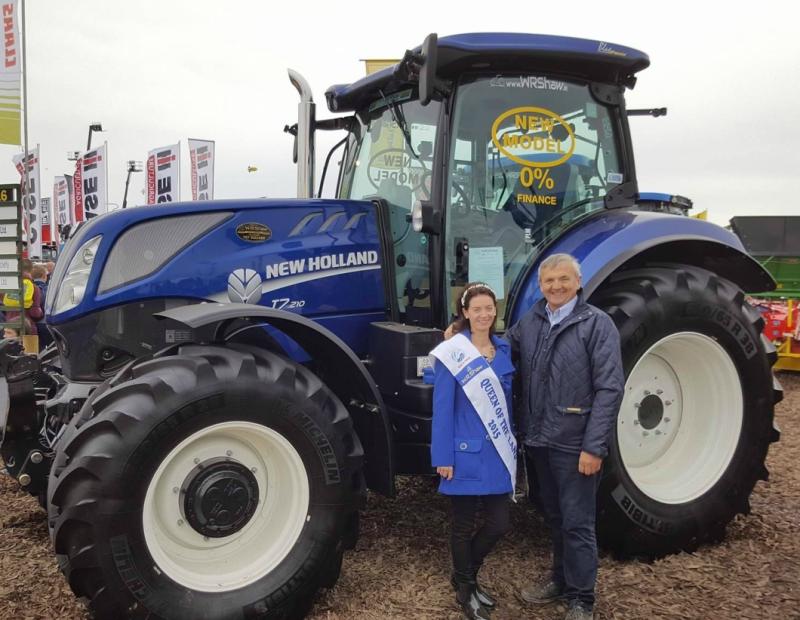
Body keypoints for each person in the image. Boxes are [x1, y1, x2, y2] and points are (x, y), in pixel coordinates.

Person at [507, 253, 624, 620]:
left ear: (578, 281)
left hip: (575, 445)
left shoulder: (596, 324)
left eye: (563, 279)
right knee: (555, 518)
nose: (555, 287)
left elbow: (610, 389)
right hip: (539, 441)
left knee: (578, 523)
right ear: (540, 286)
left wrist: (594, 446)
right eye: (549, 281)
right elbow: (501, 347)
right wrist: (462, 336)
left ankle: (581, 599)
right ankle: (559, 580)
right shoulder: (533, 319)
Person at [430, 282, 516, 620]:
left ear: (495, 312)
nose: (484, 314)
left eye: (489, 308)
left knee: (499, 523)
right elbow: (442, 408)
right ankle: (466, 590)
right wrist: (443, 457)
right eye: (476, 309)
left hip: (497, 453)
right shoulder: (453, 352)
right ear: (465, 313)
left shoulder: (504, 349)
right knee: (462, 526)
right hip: (463, 454)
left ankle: (464, 574)